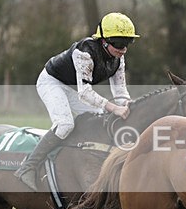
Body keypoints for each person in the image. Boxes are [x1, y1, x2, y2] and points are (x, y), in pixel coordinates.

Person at [14, 12, 139, 190]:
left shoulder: (119, 59)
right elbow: (85, 92)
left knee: (99, 117)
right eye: (119, 43)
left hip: (73, 88)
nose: (123, 49)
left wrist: (126, 103)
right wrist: (113, 108)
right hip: (52, 82)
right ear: (103, 40)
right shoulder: (85, 52)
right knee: (65, 124)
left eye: (128, 43)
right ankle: (28, 166)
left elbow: (120, 91)